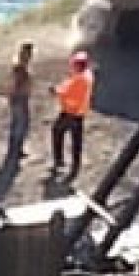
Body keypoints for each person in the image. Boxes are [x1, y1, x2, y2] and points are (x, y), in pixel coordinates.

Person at [51, 50, 94, 180]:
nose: (72, 66)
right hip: (79, 113)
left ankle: (59, 162)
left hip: (70, 113)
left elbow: (67, 92)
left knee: (57, 132)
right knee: (76, 140)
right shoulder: (87, 75)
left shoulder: (80, 79)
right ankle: (75, 165)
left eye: (75, 64)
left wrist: (55, 91)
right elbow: (70, 84)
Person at [3, 41, 33, 163]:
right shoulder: (21, 68)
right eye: (29, 53)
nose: (30, 56)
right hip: (20, 100)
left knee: (17, 125)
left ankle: (14, 151)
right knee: (21, 125)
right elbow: (16, 85)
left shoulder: (20, 67)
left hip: (19, 99)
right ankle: (15, 151)